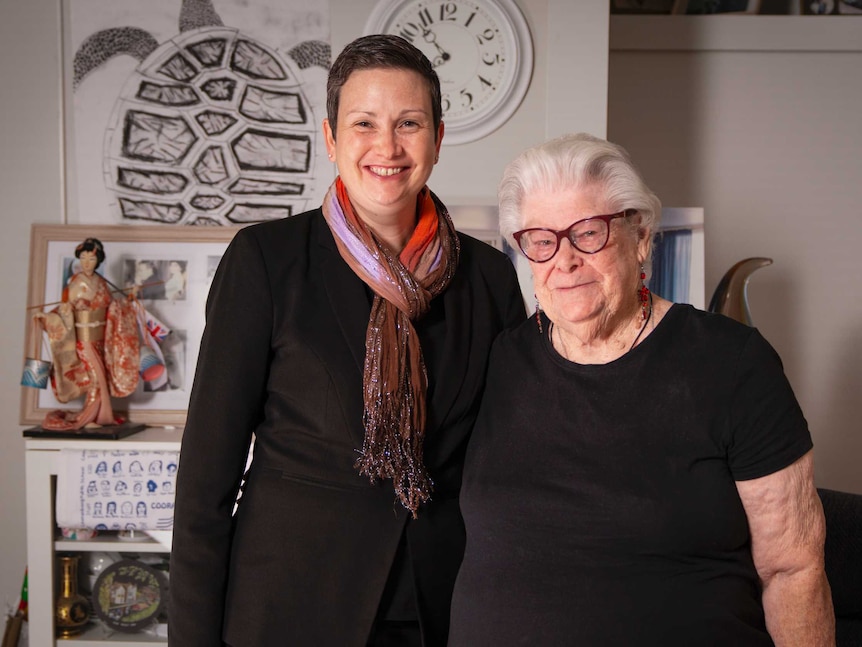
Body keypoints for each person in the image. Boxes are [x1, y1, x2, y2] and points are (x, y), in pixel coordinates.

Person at [168, 34, 525, 647]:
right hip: (291, 605)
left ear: (438, 139)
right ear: (332, 139)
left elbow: (510, 460)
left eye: (409, 123)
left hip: (446, 605)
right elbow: (205, 482)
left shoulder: (489, 277)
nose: (387, 147)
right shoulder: (267, 262)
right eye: (364, 123)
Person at [448, 133, 835, 645]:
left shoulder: (731, 363)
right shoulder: (496, 360)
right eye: (541, 240)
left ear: (641, 237)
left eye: (587, 233)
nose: (563, 260)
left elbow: (792, 570)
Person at [34, 237, 138, 430]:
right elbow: (64, 310)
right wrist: (49, 316)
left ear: (97, 261)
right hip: (84, 339)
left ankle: (98, 415)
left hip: (100, 338)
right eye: (83, 258)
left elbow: (113, 305)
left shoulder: (101, 282)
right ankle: (89, 417)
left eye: (91, 259)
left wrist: (130, 297)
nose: (86, 263)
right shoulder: (74, 282)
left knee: (101, 377)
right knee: (95, 377)